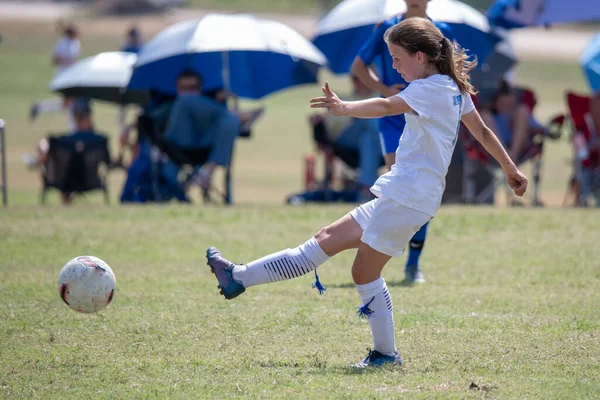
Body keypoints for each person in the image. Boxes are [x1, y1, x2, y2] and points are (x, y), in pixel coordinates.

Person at [206, 18, 528, 368]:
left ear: (420, 57)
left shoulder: (431, 88)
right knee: (324, 239)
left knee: (364, 274)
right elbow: (480, 130)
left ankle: (386, 354)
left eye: (396, 58)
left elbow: (387, 106)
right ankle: (238, 278)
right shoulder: (451, 87)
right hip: (402, 194)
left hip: (408, 197)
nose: (393, 66)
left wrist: (345, 108)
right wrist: (511, 168)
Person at [351, 0, 455, 283]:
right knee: (398, 188)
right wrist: (384, 89)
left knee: (420, 192)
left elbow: (452, 74)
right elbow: (359, 66)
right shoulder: (387, 28)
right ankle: (374, 255)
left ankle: (413, 263)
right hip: (394, 118)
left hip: (427, 117)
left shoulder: (441, 30)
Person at [309, 75, 382, 201]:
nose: (364, 82)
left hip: (376, 142)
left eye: (369, 77)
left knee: (367, 138)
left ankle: (365, 189)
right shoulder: (341, 99)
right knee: (367, 120)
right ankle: (370, 187)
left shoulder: (382, 97)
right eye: (359, 78)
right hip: (345, 142)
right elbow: (330, 131)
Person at [37, 98, 111, 205]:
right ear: (90, 117)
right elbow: (108, 162)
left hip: (62, 182)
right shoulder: (100, 141)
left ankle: (66, 203)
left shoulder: (60, 141)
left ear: (75, 118)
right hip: (91, 182)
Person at [30, 23, 81, 128]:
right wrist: (67, 61)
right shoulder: (62, 44)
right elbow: (54, 60)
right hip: (62, 77)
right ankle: (74, 128)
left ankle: (39, 107)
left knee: (66, 104)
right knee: (69, 103)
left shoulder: (76, 43)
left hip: (71, 77)